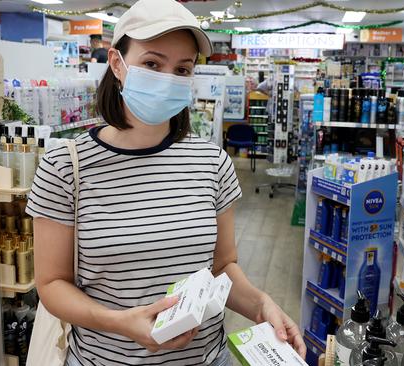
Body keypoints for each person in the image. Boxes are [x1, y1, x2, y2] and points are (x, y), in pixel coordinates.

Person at [27, 0, 306, 365]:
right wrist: (121, 323)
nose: (168, 78)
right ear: (117, 64)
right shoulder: (65, 166)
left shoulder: (212, 162)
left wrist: (261, 304)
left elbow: (222, 268)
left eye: (182, 68)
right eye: (152, 64)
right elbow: (51, 285)